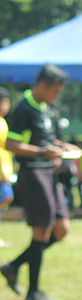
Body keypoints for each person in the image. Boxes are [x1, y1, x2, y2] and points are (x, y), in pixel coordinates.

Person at [0, 64, 78, 300]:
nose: (57, 96)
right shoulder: (24, 109)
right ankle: (34, 292)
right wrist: (42, 152)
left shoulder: (49, 109)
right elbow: (11, 145)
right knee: (42, 230)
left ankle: (13, 265)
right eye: (55, 91)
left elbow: (51, 139)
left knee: (60, 229)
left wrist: (63, 149)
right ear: (42, 85)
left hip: (50, 174)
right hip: (33, 173)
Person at [0, 88, 13, 246]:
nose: (7, 105)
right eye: (4, 102)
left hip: (5, 168)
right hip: (1, 171)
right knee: (6, 197)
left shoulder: (3, 122)